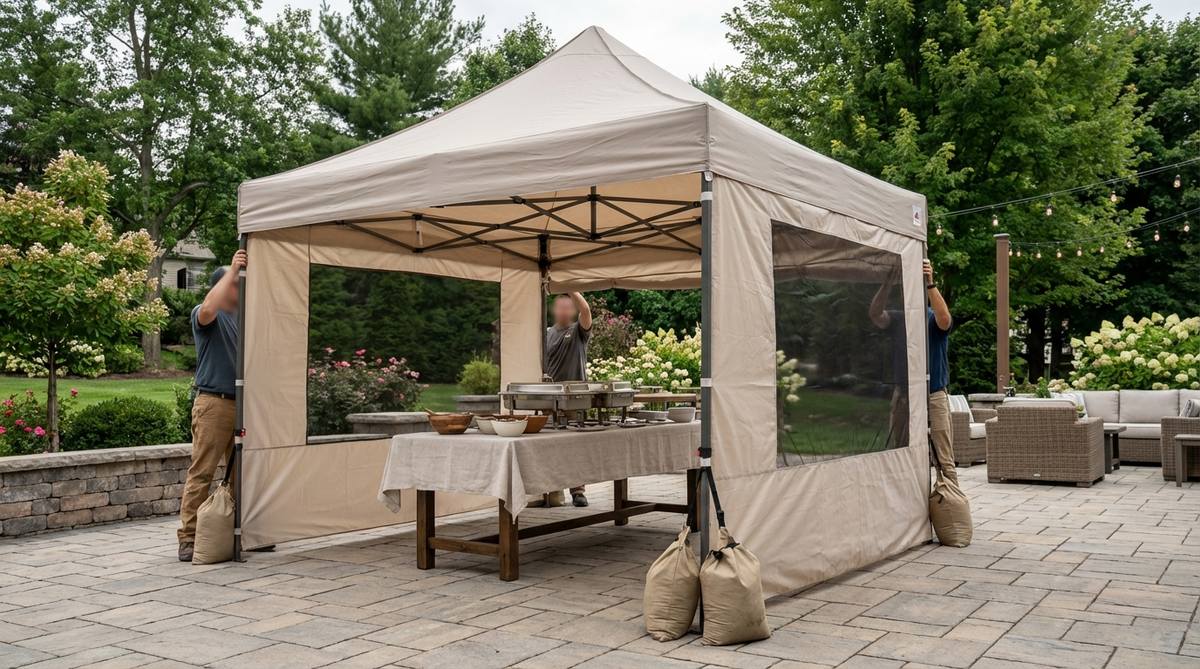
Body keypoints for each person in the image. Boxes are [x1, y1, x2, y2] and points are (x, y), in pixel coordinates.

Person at [177, 250, 245, 562]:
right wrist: (231, 270)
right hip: (213, 405)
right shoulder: (205, 316)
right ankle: (189, 538)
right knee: (201, 473)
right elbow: (208, 307)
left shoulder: (241, 320)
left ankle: (239, 534)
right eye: (235, 284)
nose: (240, 288)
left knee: (242, 475)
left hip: (242, 405)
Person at [869, 259, 956, 485]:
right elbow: (875, 314)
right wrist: (888, 282)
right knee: (898, 450)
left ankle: (953, 510)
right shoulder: (899, 318)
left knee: (943, 457)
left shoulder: (931, 316)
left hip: (934, 394)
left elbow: (945, 320)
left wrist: (930, 283)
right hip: (904, 394)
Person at [543, 292, 593, 507]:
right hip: (548, 399)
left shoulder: (579, 331)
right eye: (560, 307)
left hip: (575, 399)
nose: (564, 311)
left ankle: (578, 491)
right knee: (549, 446)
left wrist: (570, 286)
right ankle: (553, 492)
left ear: (573, 311)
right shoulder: (545, 334)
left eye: (568, 307)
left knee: (575, 446)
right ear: (554, 310)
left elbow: (587, 311)